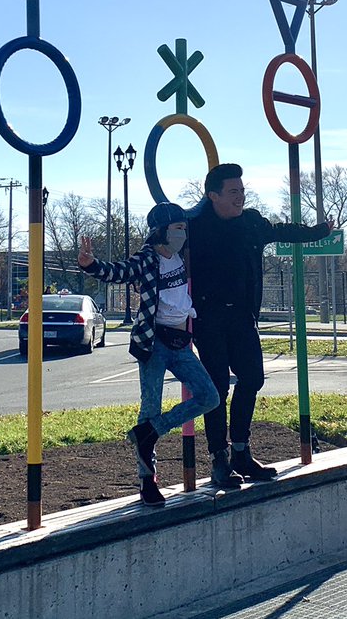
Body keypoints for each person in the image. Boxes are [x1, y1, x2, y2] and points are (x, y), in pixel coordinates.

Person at [189, 163, 332, 488]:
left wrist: (318, 231)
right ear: (213, 195)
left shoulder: (252, 223)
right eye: (233, 191)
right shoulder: (195, 225)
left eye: (242, 190)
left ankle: (241, 451)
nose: (240, 197)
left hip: (242, 316)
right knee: (216, 390)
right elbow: (159, 242)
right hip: (208, 318)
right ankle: (219, 461)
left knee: (252, 379)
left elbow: (284, 231)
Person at [78, 202, 220, 506]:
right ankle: (147, 480)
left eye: (184, 227)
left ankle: (150, 432)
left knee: (210, 397)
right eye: (177, 228)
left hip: (182, 342)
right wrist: (90, 264)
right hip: (154, 343)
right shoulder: (148, 258)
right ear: (161, 232)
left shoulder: (184, 255)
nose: (183, 233)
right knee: (150, 406)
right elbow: (119, 272)